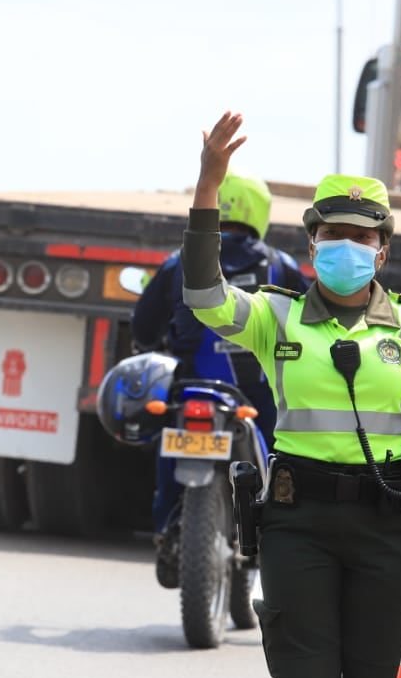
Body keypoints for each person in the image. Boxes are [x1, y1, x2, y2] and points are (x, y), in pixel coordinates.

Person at [181, 112, 401, 678]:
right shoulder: (275, 315)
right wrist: (208, 187)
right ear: (311, 243)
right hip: (300, 527)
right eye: (333, 234)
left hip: (390, 531)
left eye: (362, 236)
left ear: (383, 250)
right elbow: (203, 295)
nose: (347, 246)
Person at [131, 169, 309, 588]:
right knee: (282, 456)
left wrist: (146, 344)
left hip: (192, 386)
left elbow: (144, 325)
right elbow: (308, 325)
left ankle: (166, 530)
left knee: (169, 446)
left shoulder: (179, 263)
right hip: (256, 395)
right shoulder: (280, 266)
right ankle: (274, 531)